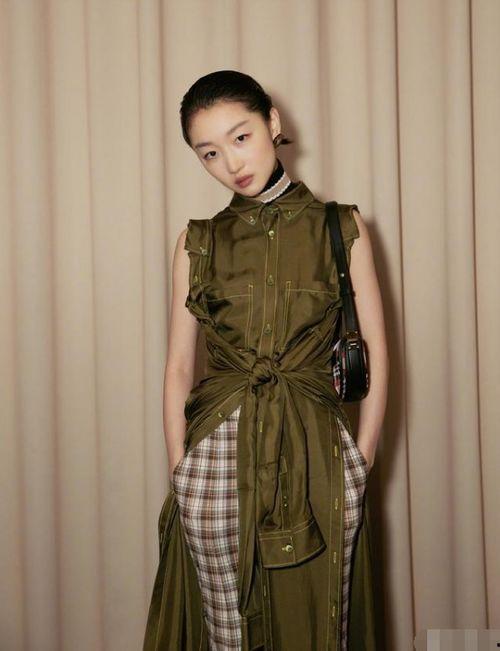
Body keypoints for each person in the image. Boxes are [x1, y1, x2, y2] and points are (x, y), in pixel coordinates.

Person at [143, 70, 388, 651]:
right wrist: (182, 473)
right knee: (228, 634)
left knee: (320, 627)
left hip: (317, 455)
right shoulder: (196, 242)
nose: (231, 162)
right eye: (209, 152)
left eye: (241, 137)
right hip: (215, 457)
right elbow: (178, 366)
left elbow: (375, 353)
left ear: (272, 123)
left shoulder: (341, 227)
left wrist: (361, 462)